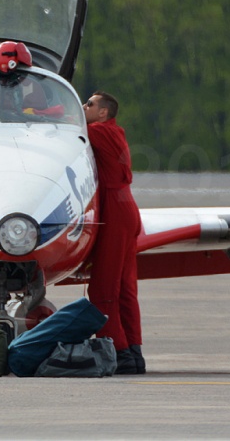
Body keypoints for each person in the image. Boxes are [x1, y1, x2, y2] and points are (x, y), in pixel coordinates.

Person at [83, 91, 145, 374]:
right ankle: (134, 352)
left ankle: (117, 350)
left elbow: (65, 123)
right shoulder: (113, 131)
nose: (85, 107)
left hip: (116, 212)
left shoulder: (98, 131)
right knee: (125, 288)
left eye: (90, 104)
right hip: (126, 207)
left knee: (103, 289)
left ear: (103, 112)